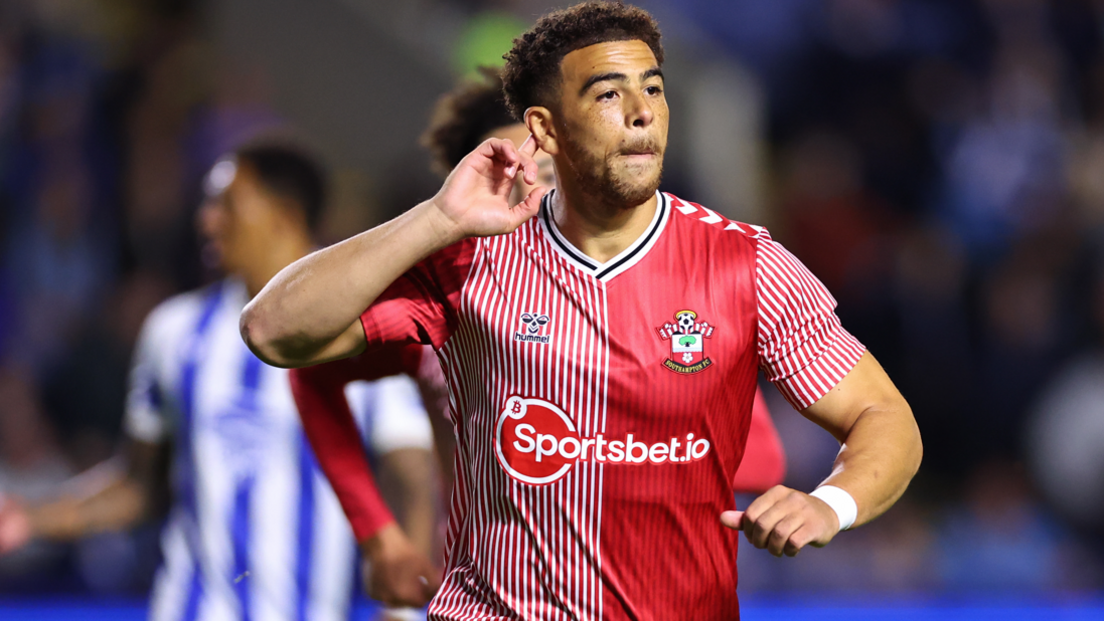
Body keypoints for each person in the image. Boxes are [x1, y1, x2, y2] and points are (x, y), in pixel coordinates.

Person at [241, 3, 923, 618]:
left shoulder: (746, 265)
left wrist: (829, 502)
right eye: (608, 93)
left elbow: (884, 417)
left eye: (653, 88)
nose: (642, 112)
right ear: (545, 127)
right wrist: (435, 217)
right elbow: (272, 331)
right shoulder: (471, 259)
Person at [290, 68, 788, 610]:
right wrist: (378, 533)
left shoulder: (650, 308)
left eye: (547, 172)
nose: (532, 194)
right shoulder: (447, 299)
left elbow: (761, 462)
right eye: (508, 178)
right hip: (481, 589)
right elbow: (308, 370)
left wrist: (627, 449)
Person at [0, 141, 439, 621]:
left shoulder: (362, 329)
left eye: (226, 203)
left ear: (284, 215)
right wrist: (30, 516)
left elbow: (413, 477)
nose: (206, 220)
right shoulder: (175, 332)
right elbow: (139, 483)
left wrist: (401, 610)